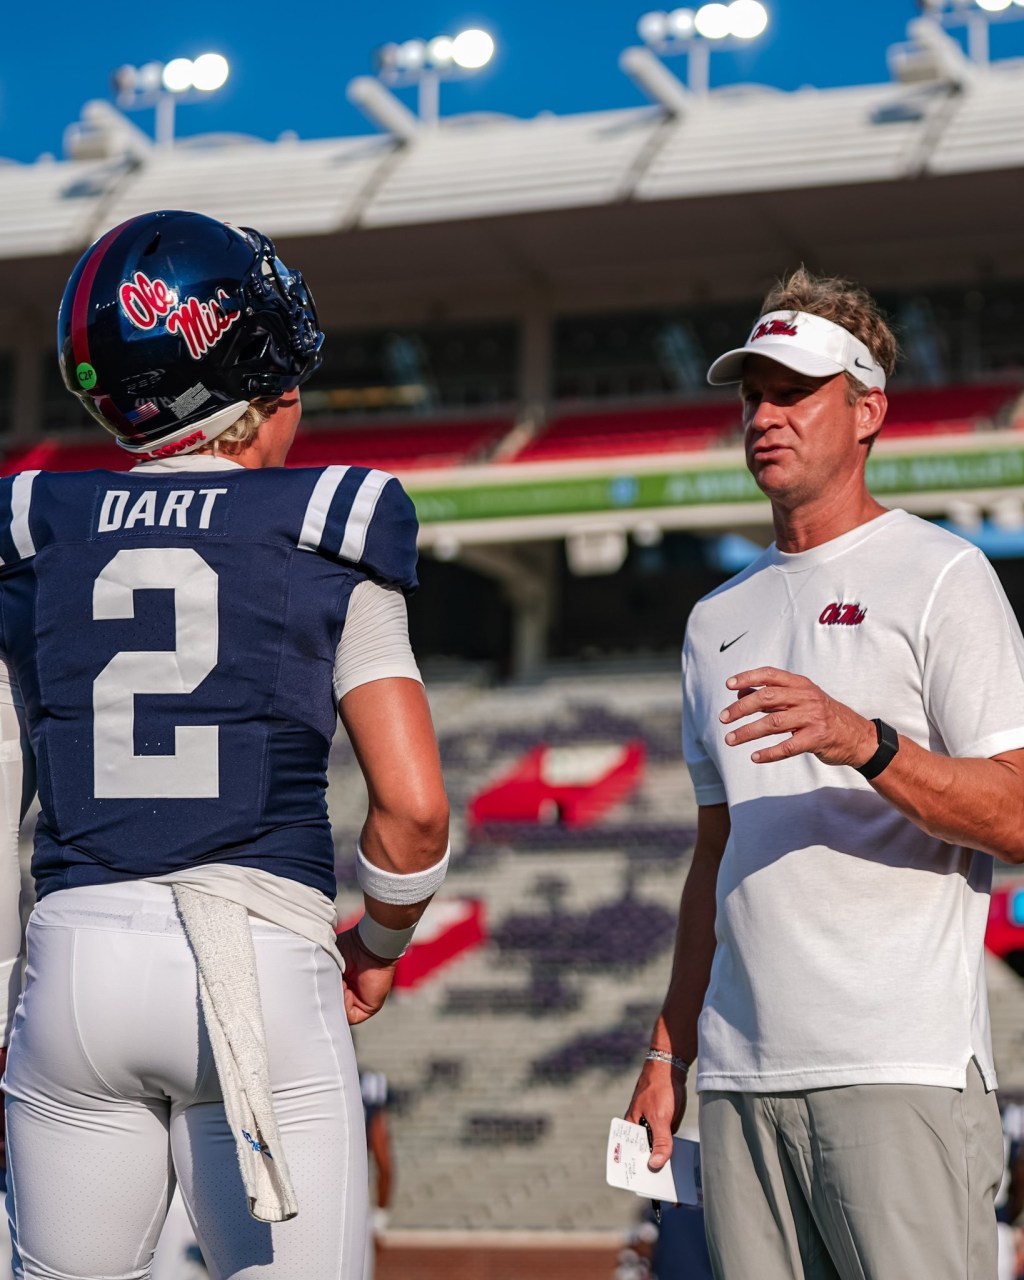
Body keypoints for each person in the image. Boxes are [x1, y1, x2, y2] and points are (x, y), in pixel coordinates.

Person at [0, 209, 449, 1280]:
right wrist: (378, 945)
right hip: (252, 956)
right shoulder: (330, 516)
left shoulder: (29, 524)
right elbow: (414, 807)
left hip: (71, 959)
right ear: (245, 359)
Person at [625, 267, 1024, 1280]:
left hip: (901, 1068)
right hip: (738, 1077)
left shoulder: (942, 575)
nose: (764, 414)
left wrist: (869, 742)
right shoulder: (713, 618)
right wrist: (670, 1050)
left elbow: (1017, 815)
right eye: (752, 393)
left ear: (866, 409)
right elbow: (716, 852)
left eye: (793, 390)